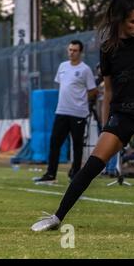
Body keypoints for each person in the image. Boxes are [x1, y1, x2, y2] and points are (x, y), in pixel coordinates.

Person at [31, 0, 134, 232]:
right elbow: (109, 91)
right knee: (91, 167)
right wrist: (107, 124)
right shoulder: (108, 48)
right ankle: (57, 217)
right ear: (119, 19)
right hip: (122, 114)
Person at [33, 40, 97, 184]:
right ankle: (51, 175)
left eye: (74, 50)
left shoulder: (85, 69)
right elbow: (63, 86)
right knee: (54, 142)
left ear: (80, 52)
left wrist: (81, 100)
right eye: (70, 50)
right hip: (61, 111)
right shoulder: (62, 66)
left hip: (78, 113)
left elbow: (93, 90)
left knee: (77, 145)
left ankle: (75, 174)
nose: (71, 53)